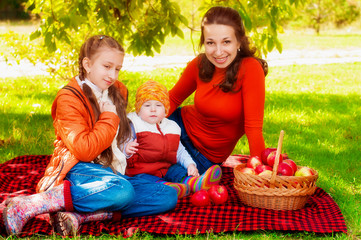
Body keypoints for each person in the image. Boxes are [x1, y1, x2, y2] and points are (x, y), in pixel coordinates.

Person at [2, 35, 178, 237]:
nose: (113, 75)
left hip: (113, 171)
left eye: (117, 68)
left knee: (167, 196)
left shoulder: (117, 90)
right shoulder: (68, 98)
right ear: (87, 64)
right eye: (107, 66)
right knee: (123, 192)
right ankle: (32, 204)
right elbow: (84, 150)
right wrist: (109, 117)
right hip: (78, 168)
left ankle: (82, 216)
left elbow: (117, 137)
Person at [168, 6, 268, 174]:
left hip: (202, 157)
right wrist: (136, 127)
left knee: (168, 175)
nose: (218, 51)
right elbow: (171, 99)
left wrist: (261, 172)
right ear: (203, 43)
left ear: (239, 41)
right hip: (174, 126)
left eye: (226, 42)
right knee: (133, 158)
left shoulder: (250, 69)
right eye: (210, 43)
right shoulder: (200, 64)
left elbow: (253, 127)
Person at [122, 80, 222, 199]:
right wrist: (126, 150)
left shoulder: (171, 127)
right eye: (147, 105)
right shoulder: (133, 125)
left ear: (165, 110)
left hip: (166, 168)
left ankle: (194, 182)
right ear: (138, 109)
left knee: (177, 171)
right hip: (141, 170)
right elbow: (118, 147)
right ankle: (168, 187)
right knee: (145, 180)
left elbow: (179, 151)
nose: (153, 109)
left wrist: (190, 164)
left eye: (158, 105)